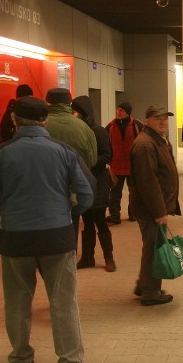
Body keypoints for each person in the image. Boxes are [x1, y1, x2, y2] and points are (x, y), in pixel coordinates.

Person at [0, 96, 94, 363]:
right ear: (45, 120)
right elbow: (85, 194)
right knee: (63, 304)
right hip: (57, 238)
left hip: (15, 240)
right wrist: (67, 213)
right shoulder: (63, 151)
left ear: (15, 120)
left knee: (17, 302)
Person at [129, 104, 181, 306]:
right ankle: (150, 292)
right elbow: (148, 182)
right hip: (150, 209)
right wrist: (159, 212)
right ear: (148, 120)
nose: (163, 121)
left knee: (152, 246)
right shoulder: (146, 145)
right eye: (158, 118)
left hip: (154, 208)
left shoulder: (157, 141)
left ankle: (144, 284)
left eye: (166, 118)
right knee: (153, 249)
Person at [71, 96, 115, 272]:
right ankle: (87, 257)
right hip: (83, 182)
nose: (74, 115)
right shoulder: (78, 130)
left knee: (100, 220)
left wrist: (87, 162)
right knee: (87, 221)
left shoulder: (99, 131)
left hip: (98, 182)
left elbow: (107, 156)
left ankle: (109, 258)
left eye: (76, 112)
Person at [106, 102, 144, 225]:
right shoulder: (111, 126)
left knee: (134, 192)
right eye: (117, 109)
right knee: (115, 194)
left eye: (121, 110)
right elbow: (106, 144)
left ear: (128, 112)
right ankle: (115, 216)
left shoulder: (137, 125)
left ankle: (134, 214)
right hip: (116, 165)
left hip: (133, 166)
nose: (118, 112)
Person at [44, 88, 98, 169]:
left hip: (48, 178)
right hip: (77, 177)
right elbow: (92, 160)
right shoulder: (84, 127)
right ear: (70, 103)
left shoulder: (39, 125)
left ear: (47, 102)